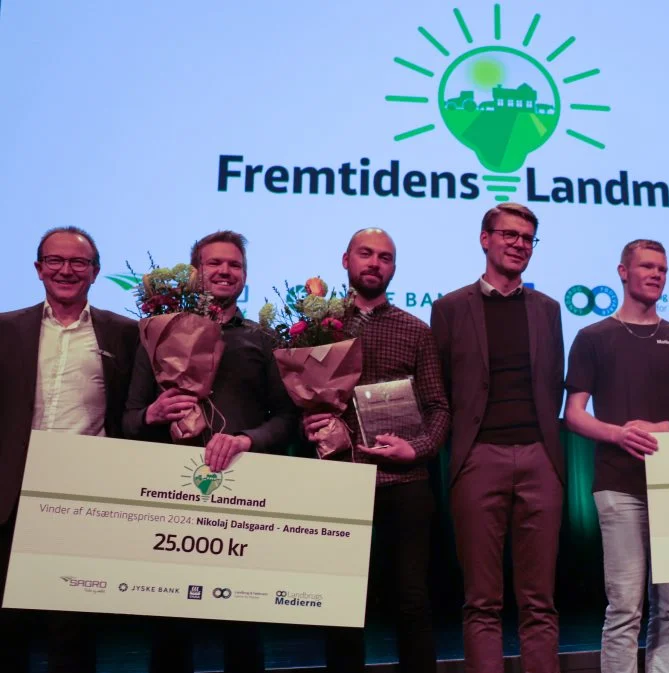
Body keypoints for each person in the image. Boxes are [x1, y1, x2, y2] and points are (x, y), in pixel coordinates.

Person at [124, 230, 297, 673]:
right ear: (195, 273)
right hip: (171, 500)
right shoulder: (157, 334)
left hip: (244, 498)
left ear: (245, 275)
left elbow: (286, 420)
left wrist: (247, 440)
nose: (224, 272)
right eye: (213, 264)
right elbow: (127, 420)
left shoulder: (263, 339)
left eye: (234, 265)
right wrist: (153, 414)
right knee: (170, 632)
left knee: (243, 630)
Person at [302, 227, 450, 673]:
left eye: (385, 257)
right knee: (343, 605)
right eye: (365, 254)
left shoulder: (416, 330)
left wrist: (417, 448)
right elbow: (296, 397)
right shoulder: (315, 328)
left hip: (405, 483)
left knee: (412, 602)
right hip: (341, 480)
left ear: (394, 268)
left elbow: (439, 406)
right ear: (345, 259)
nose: (375, 263)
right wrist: (306, 421)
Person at [430, 203, 566, 673]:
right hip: (477, 458)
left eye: (528, 238)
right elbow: (441, 389)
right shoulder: (449, 308)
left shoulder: (548, 309)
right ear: (484, 239)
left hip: (540, 459)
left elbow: (553, 382)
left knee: (540, 602)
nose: (518, 244)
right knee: (482, 602)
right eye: (509, 234)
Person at [0, 226, 139, 673]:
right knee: (7, 631)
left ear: (95, 273)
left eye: (79, 262)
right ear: (38, 268)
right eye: (55, 261)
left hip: (84, 499)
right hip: (12, 496)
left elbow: (129, 413)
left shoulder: (125, 334)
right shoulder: (5, 330)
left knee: (74, 633)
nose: (66, 270)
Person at [563, 239, 669, 673]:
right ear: (623, 272)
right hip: (618, 485)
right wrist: (618, 434)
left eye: (662, 268)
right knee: (625, 606)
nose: (656, 274)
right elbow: (573, 415)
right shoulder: (592, 337)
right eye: (646, 266)